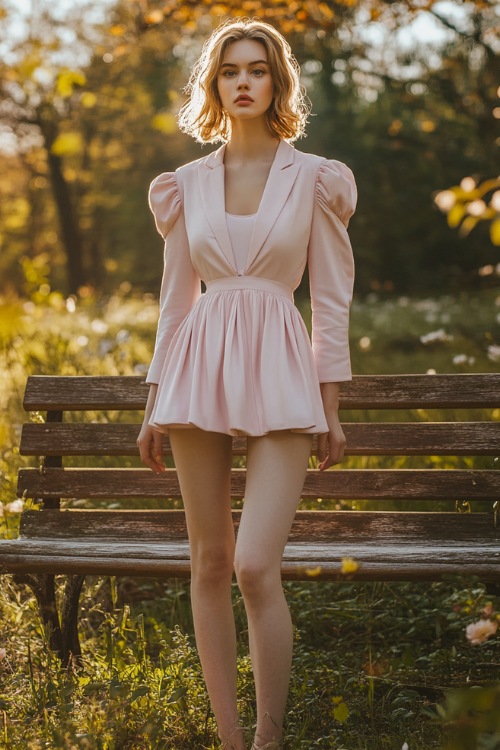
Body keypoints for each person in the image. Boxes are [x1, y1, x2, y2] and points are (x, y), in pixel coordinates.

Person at [137, 17, 356, 750]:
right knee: (208, 561)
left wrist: (330, 406)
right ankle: (229, 740)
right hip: (196, 371)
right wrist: (153, 404)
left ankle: (268, 739)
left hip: (284, 375)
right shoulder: (184, 186)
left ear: (276, 82)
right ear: (214, 83)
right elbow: (175, 303)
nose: (242, 81)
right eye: (230, 70)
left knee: (255, 565)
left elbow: (330, 301)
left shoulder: (316, 178)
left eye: (256, 69)